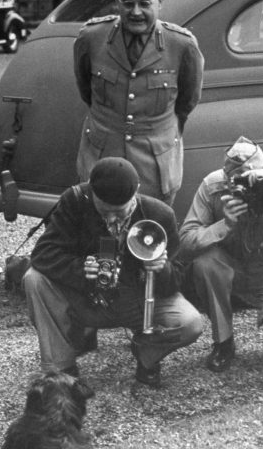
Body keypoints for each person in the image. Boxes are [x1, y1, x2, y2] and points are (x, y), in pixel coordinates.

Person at [22, 157, 204, 388]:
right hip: (90, 299)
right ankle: (61, 369)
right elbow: (42, 254)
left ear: (136, 193)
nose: (110, 219)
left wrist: (161, 269)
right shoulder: (76, 200)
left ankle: (148, 352)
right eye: (103, 210)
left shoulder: (159, 214)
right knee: (34, 279)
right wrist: (81, 269)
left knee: (190, 324)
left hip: (140, 302)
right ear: (92, 191)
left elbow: (178, 278)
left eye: (119, 213)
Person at [73, 0, 205, 205]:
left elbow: (188, 101)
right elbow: (86, 90)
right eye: (127, 3)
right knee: (98, 231)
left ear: (159, 2)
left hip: (154, 165)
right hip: (102, 158)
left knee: (149, 232)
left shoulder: (181, 45)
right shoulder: (92, 37)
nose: (136, 12)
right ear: (116, 2)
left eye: (144, 4)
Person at [178, 136, 263, 372]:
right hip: (233, 266)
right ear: (225, 177)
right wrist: (224, 224)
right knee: (205, 263)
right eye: (236, 181)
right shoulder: (212, 186)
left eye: (252, 180)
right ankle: (223, 341)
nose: (245, 187)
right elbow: (186, 240)